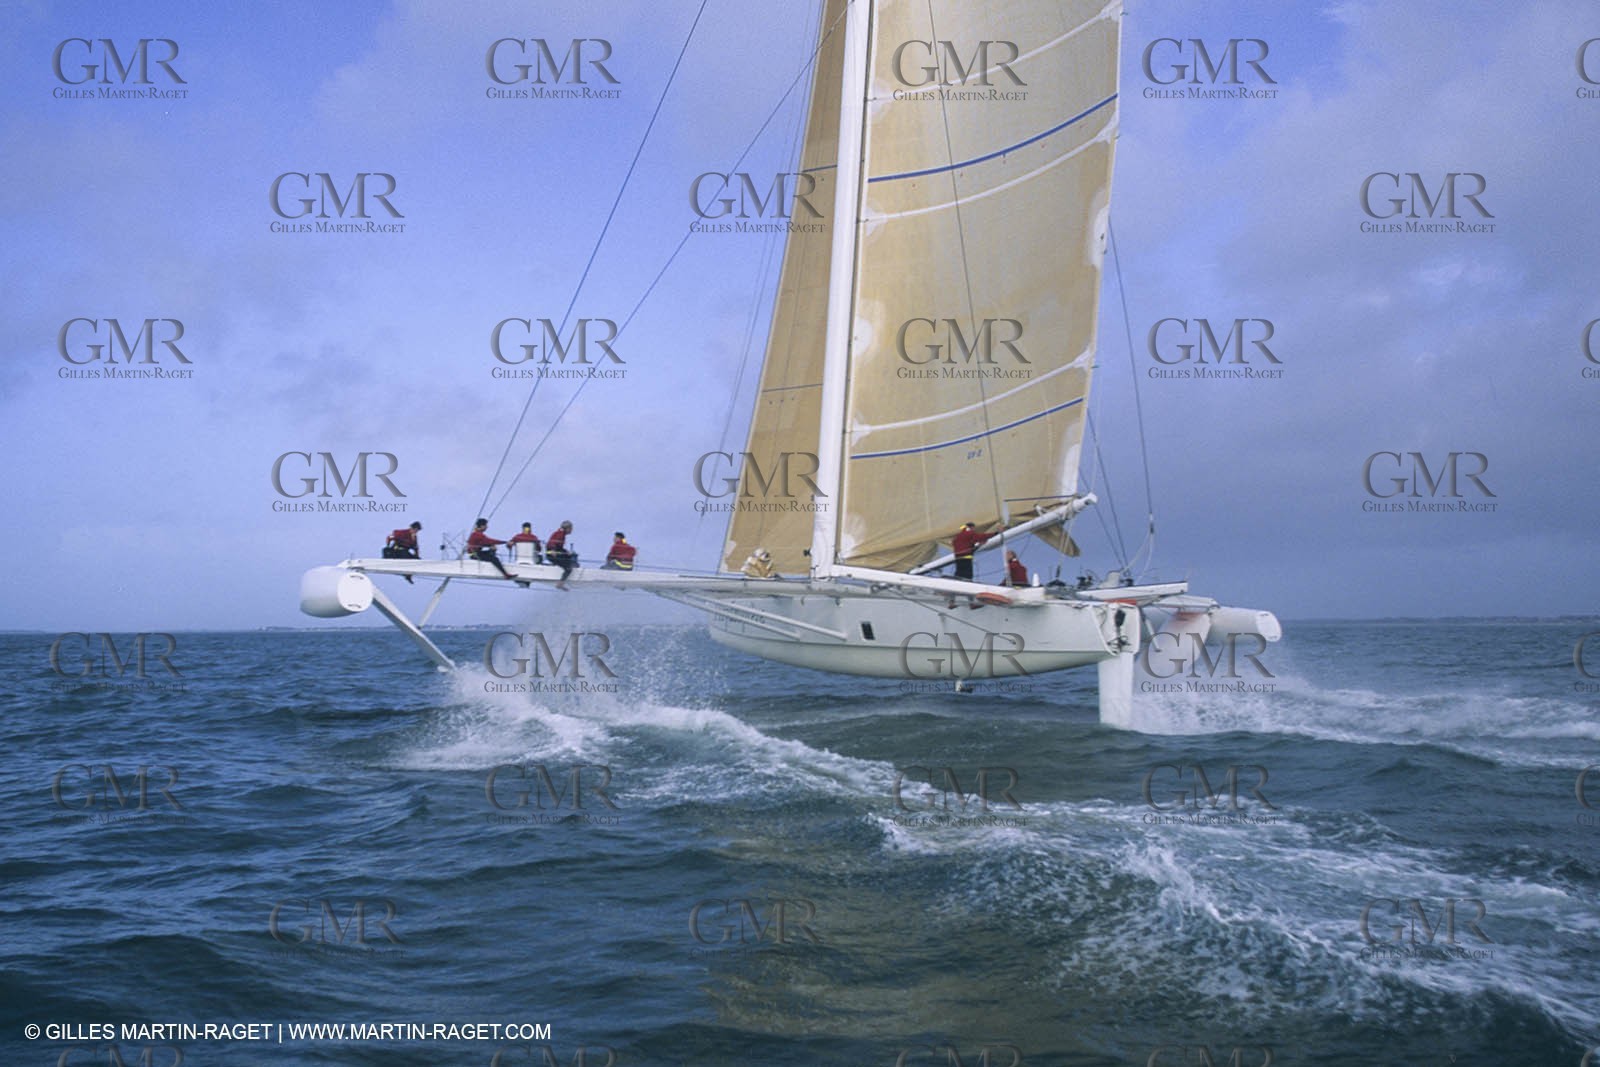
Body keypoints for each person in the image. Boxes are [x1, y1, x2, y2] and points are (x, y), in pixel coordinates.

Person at [467, 518, 522, 583]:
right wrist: (505, 542)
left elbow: (485, 542)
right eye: (486, 525)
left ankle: (493, 559)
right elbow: (490, 541)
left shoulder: (477, 533)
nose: (487, 527)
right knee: (494, 559)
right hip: (475, 555)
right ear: (482, 526)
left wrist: (491, 546)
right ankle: (506, 575)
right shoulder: (477, 534)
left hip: (477, 553)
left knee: (492, 548)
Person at [546, 520, 577, 587]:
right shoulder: (559, 534)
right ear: (567, 528)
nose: (572, 530)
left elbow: (559, 547)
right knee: (568, 568)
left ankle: (561, 582)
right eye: (571, 528)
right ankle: (560, 583)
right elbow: (552, 543)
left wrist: (567, 552)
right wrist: (553, 550)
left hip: (555, 553)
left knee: (570, 557)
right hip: (552, 555)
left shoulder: (561, 534)